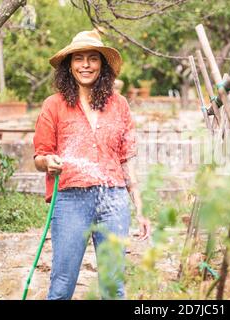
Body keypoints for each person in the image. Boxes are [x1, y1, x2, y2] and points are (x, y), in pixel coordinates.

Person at [33, 30, 151, 300]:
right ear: (69, 65)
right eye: (79, 58)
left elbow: (127, 159)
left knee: (113, 287)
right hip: (71, 199)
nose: (85, 65)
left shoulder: (119, 105)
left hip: (113, 200)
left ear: (102, 65)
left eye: (92, 59)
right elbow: (40, 156)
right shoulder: (54, 105)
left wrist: (141, 209)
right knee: (62, 283)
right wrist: (48, 162)